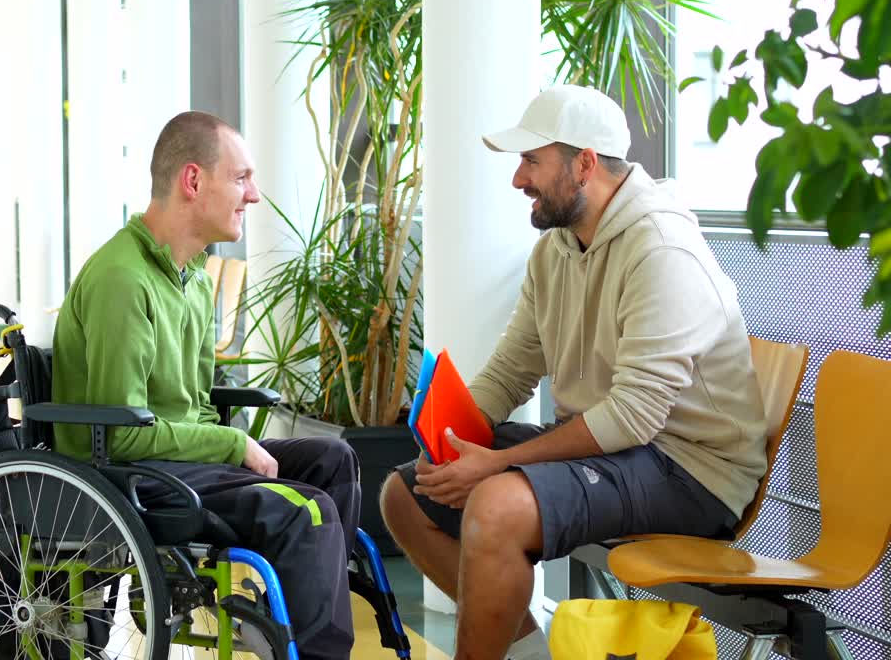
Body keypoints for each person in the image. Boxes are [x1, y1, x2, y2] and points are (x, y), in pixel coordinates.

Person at [379, 85, 767, 660]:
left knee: (496, 506)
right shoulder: (555, 250)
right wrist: (454, 438)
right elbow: (511, 368)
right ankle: (528, 655)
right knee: (406, 493)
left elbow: (635, 416)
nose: (518, 179)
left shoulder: (663, 250)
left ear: (584, 163)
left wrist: (497, 463)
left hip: (690, 470)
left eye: (531, 161)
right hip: (613, 451)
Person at [52, 110, 360, 659]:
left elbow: (194, 408)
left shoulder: (191, 278)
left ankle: (285, 622)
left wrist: (227, 445)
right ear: (193, 181)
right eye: (241, 179)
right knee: (304, 509)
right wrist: (233, 444)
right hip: (126, 474)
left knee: (333, 460)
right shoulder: (123, 280)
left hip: (174, 460)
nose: (254, 195)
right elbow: (120, 435)